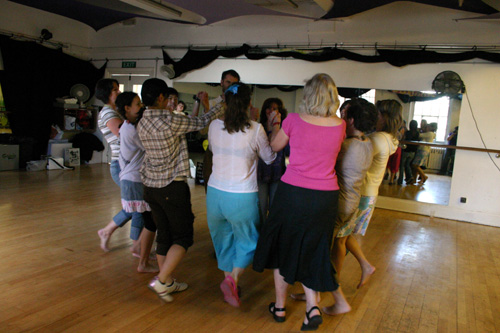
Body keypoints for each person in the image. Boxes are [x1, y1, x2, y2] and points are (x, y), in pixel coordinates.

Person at [253, 73, 351, 331]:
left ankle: (281, 307)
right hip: (325, 196)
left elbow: (274, 147)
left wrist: (276, 126)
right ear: (332, 96)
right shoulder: (340, 126)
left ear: (308, 95)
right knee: (314, 249)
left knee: (283, 247)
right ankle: (312, 306)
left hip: (293, 192)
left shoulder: (294, 120)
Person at [137, 78, 225, 302]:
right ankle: (162, 280)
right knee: (183, 237)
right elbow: (202, 121)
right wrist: (221, 104)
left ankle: (167, 282)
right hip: (171, 187)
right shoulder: (171, 120)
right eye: (166, 97)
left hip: (150, 188)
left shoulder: (142, 121)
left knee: (164, 235)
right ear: (160, 98)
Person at [206, 83, 276, 307]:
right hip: (241, 196)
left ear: (224, 102)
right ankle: (233, 279)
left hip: (215, 194)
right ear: (249, 103)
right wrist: (273, 129)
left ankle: (229, 281)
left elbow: (214, 150)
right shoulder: (256, 129)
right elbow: (270, 159)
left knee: (223, 241)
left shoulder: (214, 126)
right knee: (250, 242)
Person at [334, 99, 402, 290]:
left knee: (340, 239)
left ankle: (333, 282)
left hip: (361, 192)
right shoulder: (388, 138)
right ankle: (365, 265)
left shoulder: (376, 139)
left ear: (384, 117)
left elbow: (356, 160)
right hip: (367, 193)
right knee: (345, 237)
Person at [96, 79, 142, 255]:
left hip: (128, 166)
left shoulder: (114, 112)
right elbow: (124, 134)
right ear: (107, 94)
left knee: (136, 204)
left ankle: (107, 231)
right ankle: (137, 247)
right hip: (122, 166)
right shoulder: (109, 113)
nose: (118, 92)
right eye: (115, 90)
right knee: (138, 205)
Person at [115, 92, 158, 273]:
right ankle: (143, 262)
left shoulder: (127, 127)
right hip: (135, 181)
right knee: (151, 222)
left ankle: (139, 249)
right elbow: (151, 147)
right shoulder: (131, 130)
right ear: (127, 109)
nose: (141, 107)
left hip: (133, 180)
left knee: (150, 220)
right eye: (138, 104)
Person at [192, 70, 240, 189]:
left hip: (235, 152)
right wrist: (206, 108)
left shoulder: (241, 106)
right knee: (210, 189)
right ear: (221, 83)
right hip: (213, 153)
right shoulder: (211, 103)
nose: (230, 86)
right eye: (228, 82)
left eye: (234, 83)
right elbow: (202, 131)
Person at [257, 98, 288, 225]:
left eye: (275, 108)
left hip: (278, 173)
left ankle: (272, 235)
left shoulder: (285, 128)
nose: (271, 111)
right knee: (261, 207)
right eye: (269, 108)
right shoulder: (259, 127)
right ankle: (262, 235)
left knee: (275, 207)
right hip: (260, 172)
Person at [398, 120, 420, 185]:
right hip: (413, 152)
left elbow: (403, 139)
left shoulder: (407, 133)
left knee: (402, 166)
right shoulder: (417, 133)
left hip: (406, 151)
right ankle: (409, 177)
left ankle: (400, 180)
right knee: (407, 165)